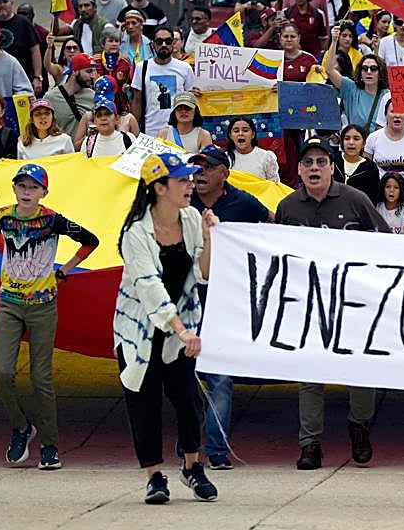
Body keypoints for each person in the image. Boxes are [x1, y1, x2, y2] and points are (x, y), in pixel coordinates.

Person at [275, 137, 387, 470]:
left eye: (321, 162)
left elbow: (384, 242)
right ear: (298, 169)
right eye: (308, 163)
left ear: (332, 167)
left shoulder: (356, 200)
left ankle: (360, 427)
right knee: (310, 375)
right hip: (308, 302)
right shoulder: (289, 207)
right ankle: (310, 444)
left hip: (353, 301)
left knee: (361, 368)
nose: (314, 168)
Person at [113, 152, 218, 503]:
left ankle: (192, 465)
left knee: (189, 398)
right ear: (159, 188)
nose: (191, 186)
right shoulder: (135, 233)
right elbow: (149, 289)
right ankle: (154, 476)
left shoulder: (190, 218)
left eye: (190, 179)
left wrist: (207, 235)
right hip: (140, 330)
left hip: (181, 327)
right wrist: (182, 330)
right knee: (144, 404)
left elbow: (203, 272)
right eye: (182, 181)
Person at [0, 163, 98, 471]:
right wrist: (6, 257)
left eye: (33, 187)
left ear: (43, 192)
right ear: (13, 189)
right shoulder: (0, 216)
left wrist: (64, 270)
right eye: (21, 186)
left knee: (41, 377)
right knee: (1, 372)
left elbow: (91, 240)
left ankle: (50, 445)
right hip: (8, 303)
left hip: (43, 305)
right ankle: (21, 427)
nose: (26, 192)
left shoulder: (52, 220)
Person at [185, 145, 270, 469]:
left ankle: (217, 452)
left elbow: (271, 225)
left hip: (224, 299)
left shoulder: (242, 202)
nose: (199, 174)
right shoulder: (183, 199)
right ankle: (189, 446)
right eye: (196, 168)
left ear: (225, 172)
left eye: (207, 168)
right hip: (188, 297)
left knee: (220, 378)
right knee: (185, 376)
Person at [132, 25, 196, 138]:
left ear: (173, 44)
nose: (164, 45)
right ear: (153, 44)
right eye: (159, 41)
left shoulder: (185, 68)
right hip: (149, 132)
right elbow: (137, 102)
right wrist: (135, 132)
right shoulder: (142, 67)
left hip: (179, 131)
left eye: (168, 41)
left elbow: (192, 100)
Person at [325, 28, 390, 133]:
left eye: (373, 69)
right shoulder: (351, 89)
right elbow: (329, 70)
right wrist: (334, 41)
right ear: (360, 72)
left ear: (380, 73)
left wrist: (376, 50)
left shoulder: (387, 95)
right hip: (355, 145)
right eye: (364, 69)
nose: (369, 72)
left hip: (378, 146)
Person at [44, 53, 96, 138]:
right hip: (61, 148)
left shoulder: (93, 96)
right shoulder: (51, 97)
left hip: (84, 149)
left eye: (94, 71)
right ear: (75, 71)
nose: (93, 76)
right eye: (89, 71)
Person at [333, 124, 382, 204]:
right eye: (347, 139)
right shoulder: (333, 162)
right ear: (342, 142)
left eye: (356, 139)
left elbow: (372, 200)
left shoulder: (370, 168)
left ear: (363, 144)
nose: (351, 142)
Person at [225, 116, 280, 182]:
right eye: (236, 131)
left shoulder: (266, 157)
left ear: (253, 135)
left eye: (245, 130)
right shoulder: (224, 158)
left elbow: (274, 185)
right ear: (230, 135)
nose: (240, 134)